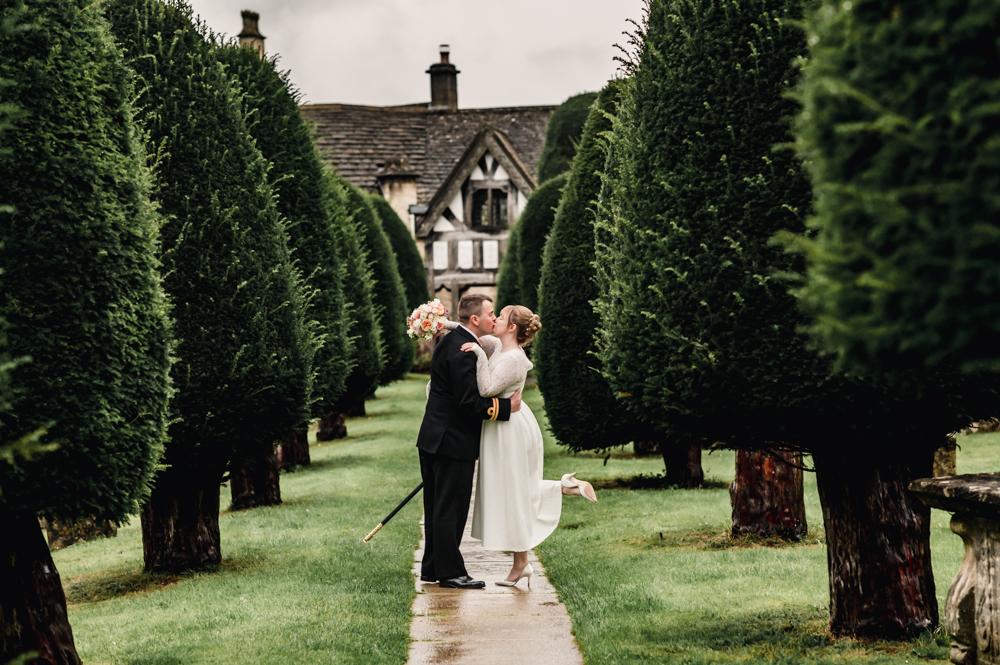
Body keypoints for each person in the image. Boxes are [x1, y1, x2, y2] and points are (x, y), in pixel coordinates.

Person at [458, 304, 597, 588]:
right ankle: (523, 559)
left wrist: (477, 357)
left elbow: (486, 389)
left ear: (512, 328)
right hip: (501, 428)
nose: (494, 317)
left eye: (501, 316)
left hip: (511, 431)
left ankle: (523, 559)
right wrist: (440, 324)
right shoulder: (498, 344)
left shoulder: (514, 360)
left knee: (515, 492)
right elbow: (471, 335)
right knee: (512, 492)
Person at [415, 294, 522, 589]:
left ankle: (432, 568)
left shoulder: (451, 341)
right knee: (451, 508)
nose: (494, 318)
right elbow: (468, 403)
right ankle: (450, 572)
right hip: (451, 441)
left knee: (438, 506)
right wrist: (504, 408)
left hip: (433, 438)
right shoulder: (463, 350)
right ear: (475, 319)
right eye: (490, 313)